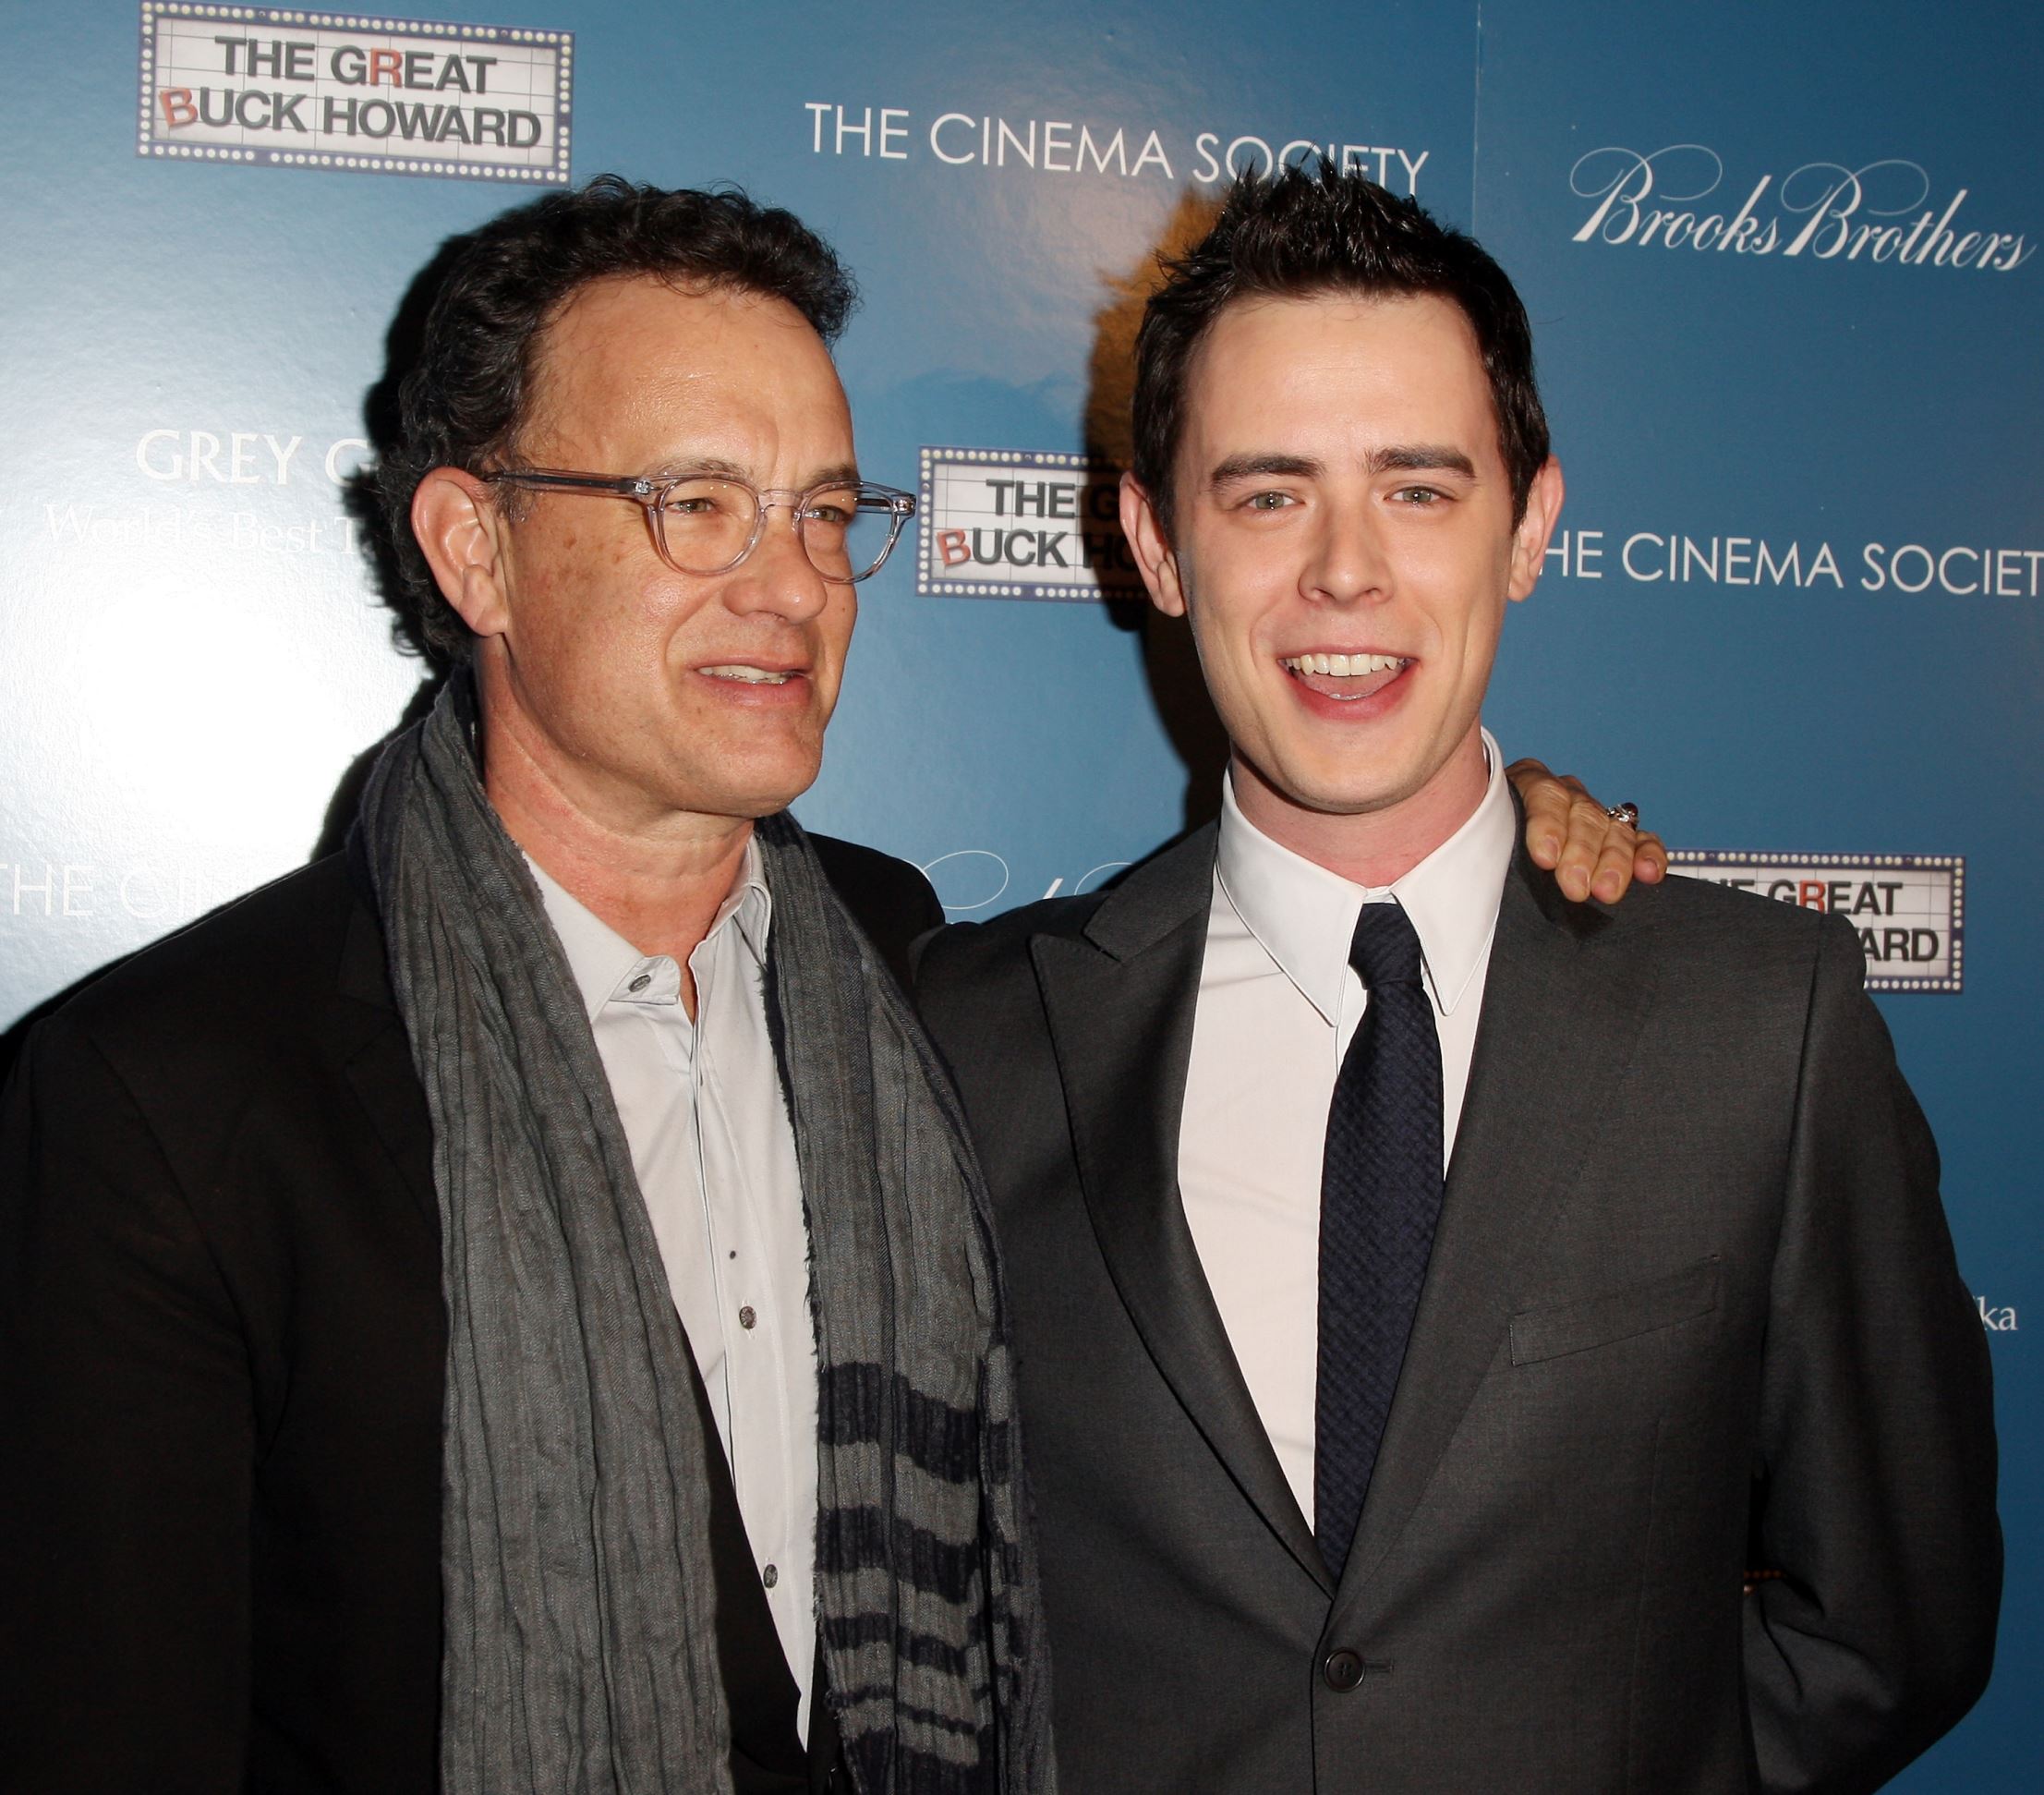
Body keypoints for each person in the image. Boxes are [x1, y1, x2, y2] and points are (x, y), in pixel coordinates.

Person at [0, 174, 1648, 1793]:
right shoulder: (167, 1102)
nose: (790, 584)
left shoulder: (903, 969)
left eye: (822, 512)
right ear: (474, 548)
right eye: (694, 504)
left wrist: (1493, 836)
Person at [913, 166, 2002, 1792]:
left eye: (1417, 489)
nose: (1344, 571)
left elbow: (1893, 1621)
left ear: (1529, 527)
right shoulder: (967, 1035)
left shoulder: (1759, 1025)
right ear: (1154, 542)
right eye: (1266, 495)